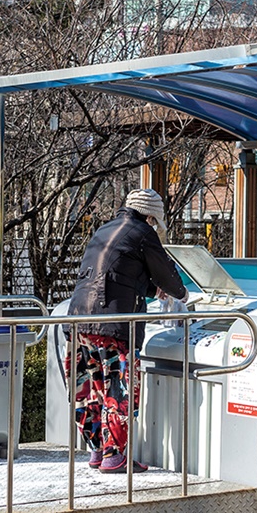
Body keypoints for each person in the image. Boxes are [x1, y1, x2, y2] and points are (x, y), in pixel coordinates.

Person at [65, 189, 188, 473]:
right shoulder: (144, 233)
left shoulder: (105, 229)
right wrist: (180, 293)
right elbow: (166, 274)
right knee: (118, 388)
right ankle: (114, 456)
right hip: (114, 322)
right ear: (150, 216)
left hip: (79, 320)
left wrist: (148, 289)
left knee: (93, 387)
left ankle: (97, 451)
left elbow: (117, 274)